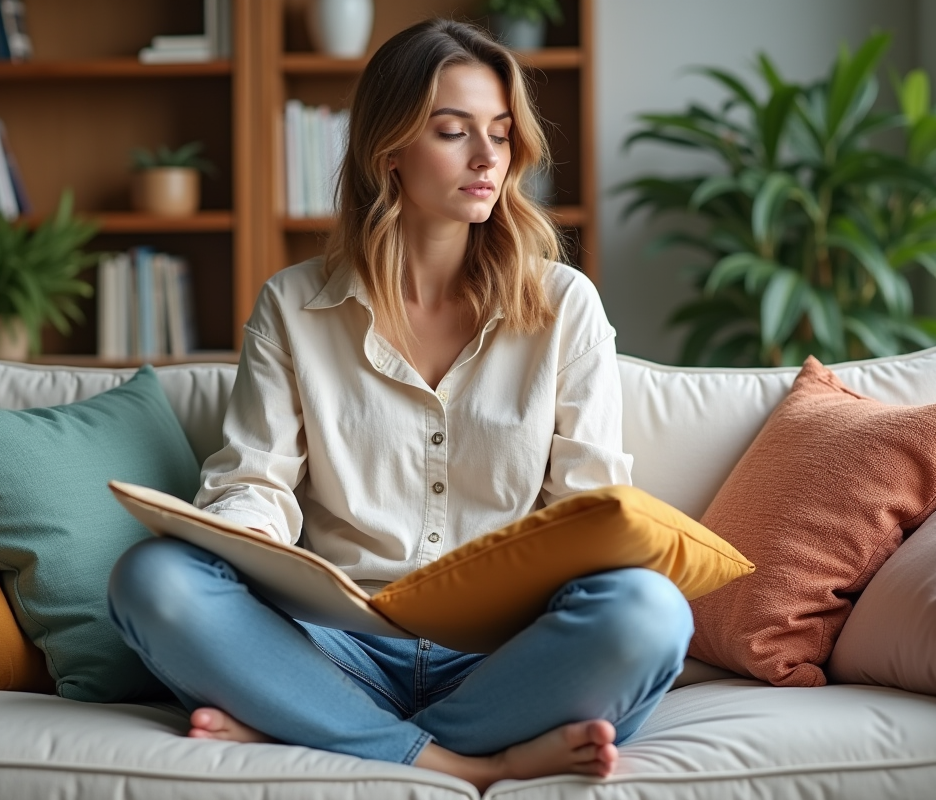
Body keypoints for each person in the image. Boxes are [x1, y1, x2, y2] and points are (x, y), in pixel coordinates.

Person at [107, 18, 692, 792]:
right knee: (154, 579)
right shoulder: (293, 305)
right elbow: (254, 482)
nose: (489, 158)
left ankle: (309, 727)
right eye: (454, 132)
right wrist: (246, 544)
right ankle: (465, 761)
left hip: (508, 651)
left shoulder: (564, 305)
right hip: (331, 642)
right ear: (389, 151)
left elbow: (587, 507)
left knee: (649, 612)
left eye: (501, 132)